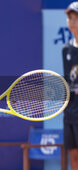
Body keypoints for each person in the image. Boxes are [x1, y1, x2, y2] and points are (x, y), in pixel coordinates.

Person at [63, 2, 78, 170]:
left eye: (76, 18)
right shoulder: (66, 49)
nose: (72, 21)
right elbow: (67, 79)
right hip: (70, 112)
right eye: (70, 18)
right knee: (73, 156)